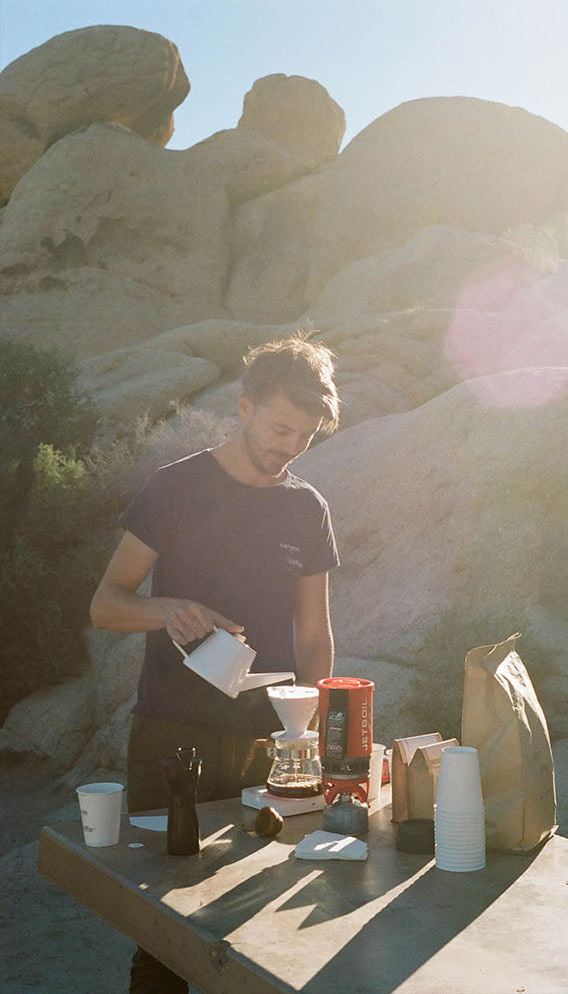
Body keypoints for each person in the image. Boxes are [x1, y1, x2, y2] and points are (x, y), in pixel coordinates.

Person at [90, 334, 341, 994]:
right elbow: (106, 604)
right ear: (244, 405)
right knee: (162, 932)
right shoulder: (173, 489)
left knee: (260, 924)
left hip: (268, 743)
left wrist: (312, 737)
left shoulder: (305, 507)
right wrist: (166, 607)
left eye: (305, 435)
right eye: (280, 427)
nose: (289, 446)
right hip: (172, 737)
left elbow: (315, 639)